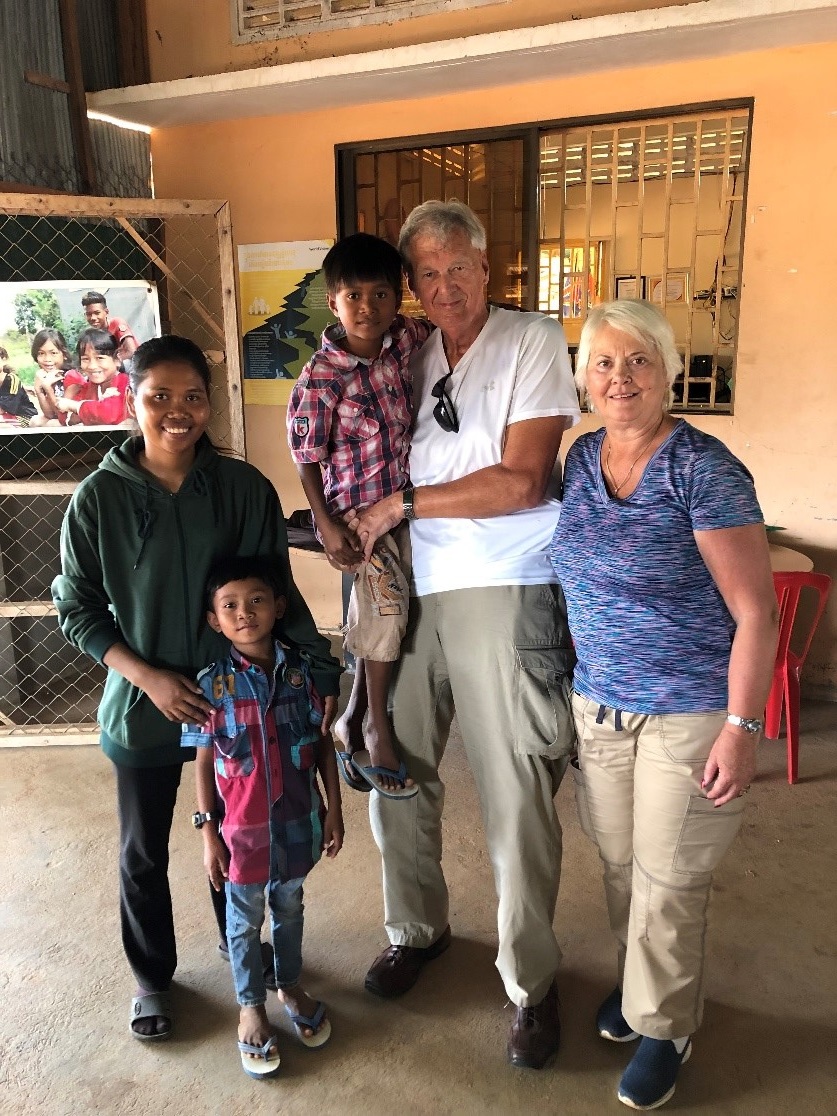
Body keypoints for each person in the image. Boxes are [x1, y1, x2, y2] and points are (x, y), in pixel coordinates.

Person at [51, 334, 341, 1043]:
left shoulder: (242, 489)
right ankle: (153, 977)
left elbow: (276, 591)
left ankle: (240, 948)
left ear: (209, 404)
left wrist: (319, 668)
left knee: (241, 835)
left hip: (241, 703)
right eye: (159, 397)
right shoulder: (97, 500)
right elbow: (75, 606)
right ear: (131, 401)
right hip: (145, 704)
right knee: (143, 850)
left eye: (192, 397)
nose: (176, 412)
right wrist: (146, 677)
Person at [349, 199, 580, 1069]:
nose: (443, 285)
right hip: (411, 582)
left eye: (458, 267)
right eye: (427, 273)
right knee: (394, 762)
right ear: (411, 284)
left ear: (488, 267)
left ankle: (530, 980)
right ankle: (417, 928)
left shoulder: (530, 341)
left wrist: (398, 504)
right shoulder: (406, 353)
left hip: (504, 583)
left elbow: (522, 481)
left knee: (514, 786)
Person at [549, 299, 778, 1110]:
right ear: (585, 378)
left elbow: (757, 611)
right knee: (619, 864)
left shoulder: (702, 469)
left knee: (669, 876)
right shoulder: (579, 461)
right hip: (600, 705)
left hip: (689, 711)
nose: (621, 378)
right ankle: (651, 987)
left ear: (667, 373)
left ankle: (665, 1024)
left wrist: (743, 728)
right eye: (604, 363)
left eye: (639, 360)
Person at [183, 554, 343, 1079]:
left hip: (299, 824)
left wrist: (334, 810)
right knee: (244, 921)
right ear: (214, 619)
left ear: (279, 606)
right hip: (241, 836)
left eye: (256, 601)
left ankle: (289, 983)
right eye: (229, 605)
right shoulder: (206, 687)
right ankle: (250, 1005)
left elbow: (322, 749)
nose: (244, 613)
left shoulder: (305, 676)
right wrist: (209, 835)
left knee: (290, 910)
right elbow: (202, 761)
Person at [287, 232, 431, 798]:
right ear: (334, 302)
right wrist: (326, 524)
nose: (367, 308)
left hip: (403, 508)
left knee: (382, 610)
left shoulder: (404, 342)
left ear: (398, 300)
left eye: (380, 295)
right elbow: (305, 457)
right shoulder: (321, 379)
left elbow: (452, 323)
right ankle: (376, 724)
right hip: (353, 517)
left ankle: (349, 719)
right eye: (354, 297)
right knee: (390, 611)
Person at [56, 327, 131, 427]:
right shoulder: (88, 388)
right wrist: (97, 406)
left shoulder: (125, 383)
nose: (92, 366)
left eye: (100, 358)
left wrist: (74, 406)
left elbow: (109, 415)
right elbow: (63, 418)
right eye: (85, 359)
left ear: (117, 359)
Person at [28, 327, 78, 427]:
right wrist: (38, 389)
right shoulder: (49, 376)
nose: (47, 359)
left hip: (77, 421)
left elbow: (62, 415)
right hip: (62, 417)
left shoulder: (72, 376)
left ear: (64, 354)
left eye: (53, 353)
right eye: (41, 353)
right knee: (35, 421)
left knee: (51, 424)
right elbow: (49, 414)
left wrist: (47, 388)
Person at [81, 289, 138, 367]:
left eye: (97, 313)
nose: (93, 318)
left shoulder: (116, 323)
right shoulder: (93, 334)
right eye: (88, 314)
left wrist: (112, 364)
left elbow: (132, 352)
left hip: (135, 364)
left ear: (106, 312)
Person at [0, 346, 36, 425]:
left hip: (24, 417)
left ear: (4, 359)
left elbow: (3, 409)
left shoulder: (12, 380)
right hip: (6, 418)